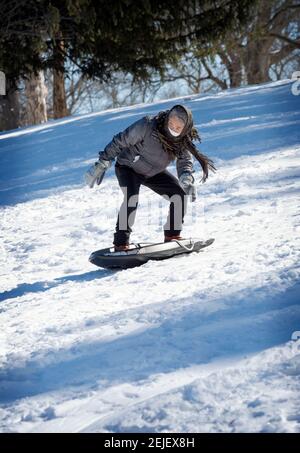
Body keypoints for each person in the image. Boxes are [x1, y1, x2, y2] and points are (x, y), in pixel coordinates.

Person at [85, 104, 216, 251]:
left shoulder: (181, 141)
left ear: (184, 129)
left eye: (178, 128)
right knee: (131, 198)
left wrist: (186, 177)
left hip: (153, 172)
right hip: (128, 167)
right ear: (167, 118)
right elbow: (121, 140)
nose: (173, 128)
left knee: (179, 195)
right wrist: (103, 161)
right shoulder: (147, 125)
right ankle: (121, 243)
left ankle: (172, 236)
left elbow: (184, 160)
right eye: (171, 123)